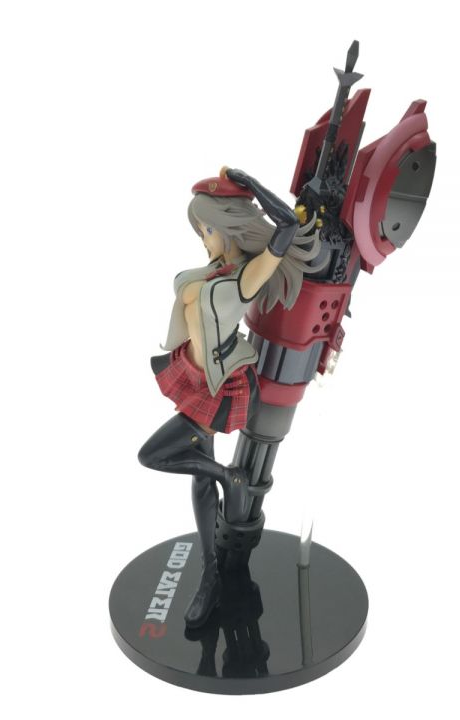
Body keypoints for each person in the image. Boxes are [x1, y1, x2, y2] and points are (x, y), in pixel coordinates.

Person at [138, 167, 324, 627]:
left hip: (219, 385)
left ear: (225, 224)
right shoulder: (214, 269)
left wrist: (251, 186)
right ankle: (210, 574)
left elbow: (287, 228)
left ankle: (230, 477)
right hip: (192, 374)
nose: (204, 239)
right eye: (200, 231)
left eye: (207, 229)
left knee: (153, 455)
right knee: (198, 480)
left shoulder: (244, 278)